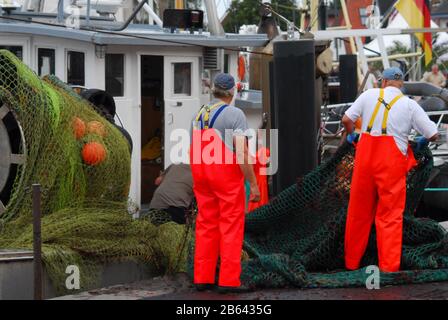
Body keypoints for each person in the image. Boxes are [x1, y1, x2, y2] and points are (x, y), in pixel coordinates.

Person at [342, 67, 438, 272]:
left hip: (365, 161)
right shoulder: (410, 105)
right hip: (391, 166)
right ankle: (388, 268)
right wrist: (421, 141)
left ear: (383, 82)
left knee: (358, 213)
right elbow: (433, 134)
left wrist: (352, 136)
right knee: (390, 216)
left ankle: (351, 263)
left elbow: (346, 120)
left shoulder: (369, 94)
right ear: (400, 84)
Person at [190, 73, 260, 293]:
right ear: (232, 91)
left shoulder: (199, 113)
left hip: (201, 173)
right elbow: (242, 152)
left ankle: (203, 278)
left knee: (206, 224)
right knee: (230, 226)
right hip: (224, 176)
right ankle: (229, 281)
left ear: (214, 91)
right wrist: (254, 184)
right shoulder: (234, 114)